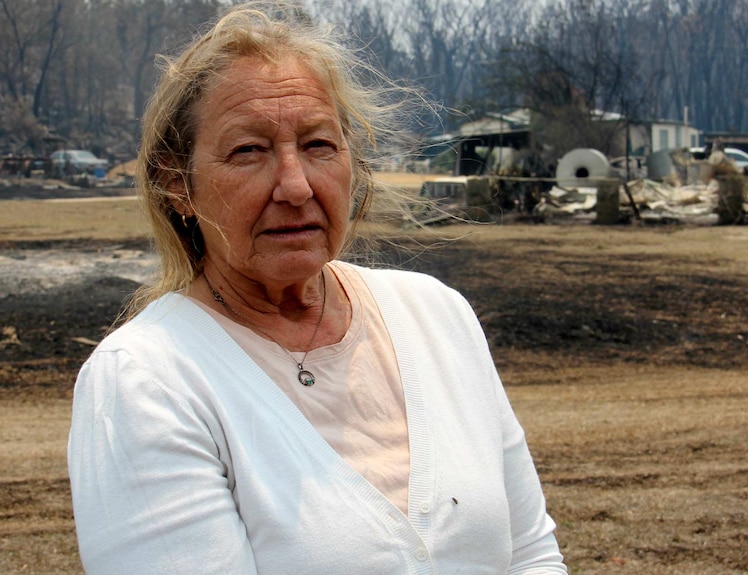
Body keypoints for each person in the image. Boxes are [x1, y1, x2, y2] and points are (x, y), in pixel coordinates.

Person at [67, 2, 567, 573]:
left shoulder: (436, 316)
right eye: (249, 151)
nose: (296, 186)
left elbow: (530, 552)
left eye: (318, 145)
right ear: (176, 184)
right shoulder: (148, 380)